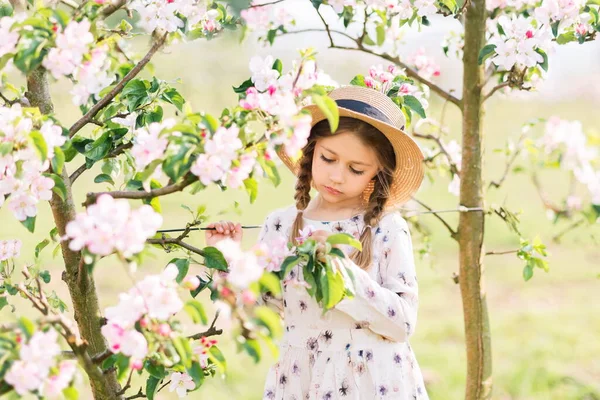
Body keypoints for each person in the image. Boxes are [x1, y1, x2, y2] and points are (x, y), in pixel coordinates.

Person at [205, 85, 429, 399]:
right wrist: (227, 259)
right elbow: (260, 315)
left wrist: (343, 273)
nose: (337, 176)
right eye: (328, 158)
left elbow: (402, 324)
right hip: (301, 379)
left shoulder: (386, 229)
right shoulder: (281, 225)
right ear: (310, 151)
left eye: (355, 169)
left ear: (376, 174)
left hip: (369, 382)